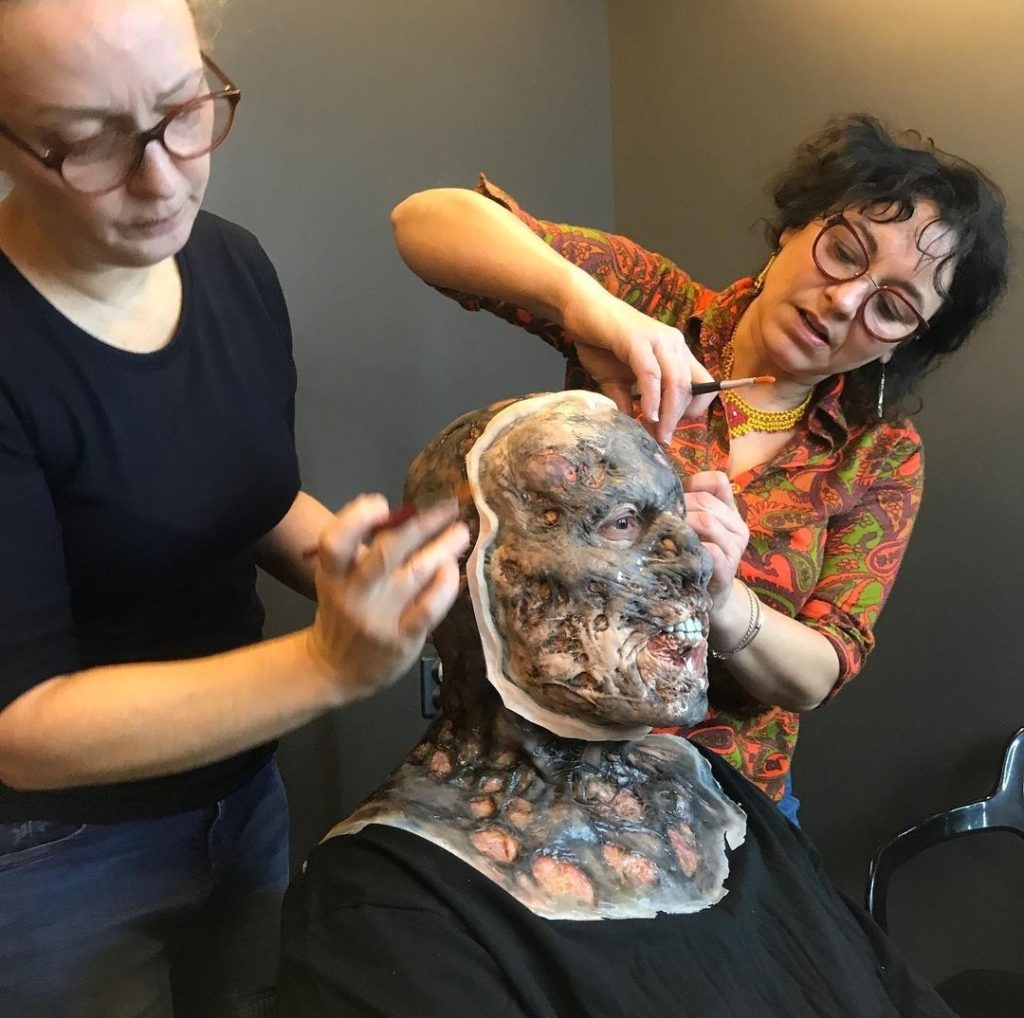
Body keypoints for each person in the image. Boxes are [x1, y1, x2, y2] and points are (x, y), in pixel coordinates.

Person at [0, 2, 468, 1016]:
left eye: (184, 110)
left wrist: (388, 575)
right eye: (88, 142)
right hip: (49, 855)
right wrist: (329, 662)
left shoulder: (231, 266)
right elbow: (20, 728)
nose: (164, 179)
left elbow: (240, 497)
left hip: (243, 793)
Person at [389, 115, 1009, 822]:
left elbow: (820, 670)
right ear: (794, 228)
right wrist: (590, 308)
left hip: (724, 801)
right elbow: (425, 222)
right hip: (538, 767)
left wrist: (722, 599)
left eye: (892, 308)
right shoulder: (654, 306)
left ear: (903, 343)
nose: (845, 300)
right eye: (843, 251)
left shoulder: (880, 454)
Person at [278, 392, 956, 1018]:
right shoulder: (387, 905)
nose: (696, 563)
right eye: (622, 522)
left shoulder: (712, 792)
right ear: (471, 575)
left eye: (679, 518)